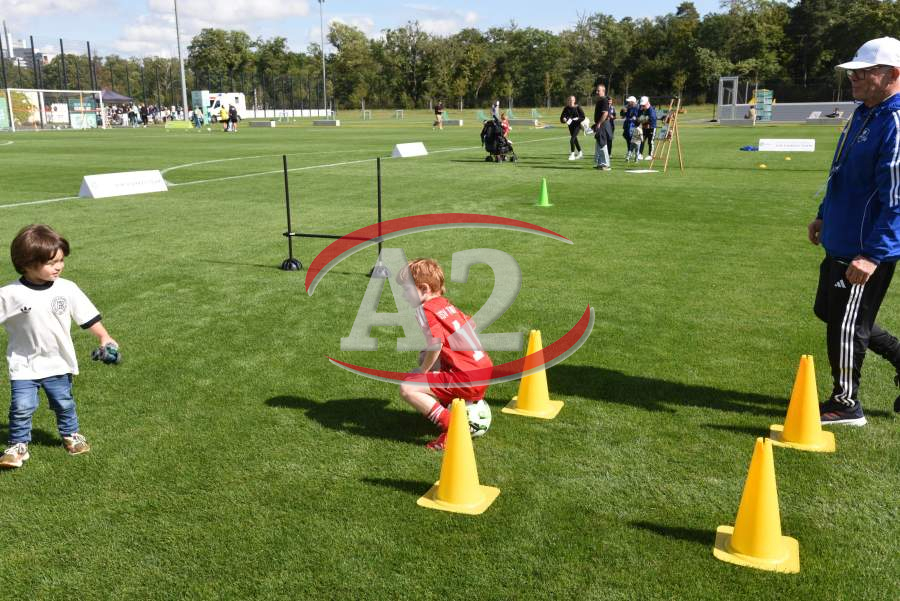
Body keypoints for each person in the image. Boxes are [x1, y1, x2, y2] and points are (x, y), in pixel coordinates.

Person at [807, 36, 900, 424]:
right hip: (840, 237)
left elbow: (897, 199)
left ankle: (846, 403)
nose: (854, 78)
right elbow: (841, 172)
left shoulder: (895, 122)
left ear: (892, 74)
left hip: (864, 249)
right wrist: (823, 214)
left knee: (847, 328)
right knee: (830, 312)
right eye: (852, 72)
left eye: (864, 72)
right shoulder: (864, 113)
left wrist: (873, 254)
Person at [0, 225, 118, 469]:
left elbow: (87, 317)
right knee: (21, 406)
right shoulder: (9, 294)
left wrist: (104, 337)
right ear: (26, 263)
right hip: (24, 363)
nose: (58, 267)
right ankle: (18, 446)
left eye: (61, 260)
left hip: (58, 361)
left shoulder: (67, 288)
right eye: (51, 262)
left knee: (63, 402)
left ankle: (71, 435)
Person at [397, 258, 493, 451]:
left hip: (466, 378)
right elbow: (471, 325)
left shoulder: (425, 310)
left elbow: (436, 345)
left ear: (424, 289)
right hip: (482, 369)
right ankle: (451, 403)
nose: (403, 294)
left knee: (407, 387)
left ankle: (453, 427)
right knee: (424, 356)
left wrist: (422, 372)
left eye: (407, 289)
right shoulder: (445, 304)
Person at [591, 84, 612, 170]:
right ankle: (600, 163)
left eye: (598, 90)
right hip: (600, 124)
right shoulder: (600, 100)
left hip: (603, 124)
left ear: (603, 91)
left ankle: (606, 164)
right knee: (599, 144)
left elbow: (605, 114)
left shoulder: (604, 100)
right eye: (596, 90)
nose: (596, 92)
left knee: (602, 144)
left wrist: (599, 123)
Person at [560, 95, 586, 160]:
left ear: (574, 101)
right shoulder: (566, 108)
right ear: (568, 101)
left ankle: (572, 154)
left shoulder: (578, 107)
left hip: (577, 126)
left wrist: (577, 119)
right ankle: (580, 153)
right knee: (575, 140)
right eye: (570, 100)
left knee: (572, 140)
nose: (571, 101)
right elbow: (562, 118)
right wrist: (563, 119)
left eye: (572, 100)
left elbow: (583, 117)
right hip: (570, 126)